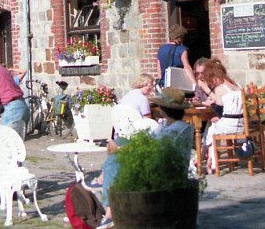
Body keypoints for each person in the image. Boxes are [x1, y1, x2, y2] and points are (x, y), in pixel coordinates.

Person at [98, 87, 194, 228]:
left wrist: (119, 150)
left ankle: (110, 210)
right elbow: (149, 141)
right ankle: (104, 177)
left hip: (163, 168)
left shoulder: (176, 128)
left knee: (115, 160)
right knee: (121, 141)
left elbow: (153, 150)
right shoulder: (168, 125)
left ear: (163, 109)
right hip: (158, 160)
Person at [196, 58, 244, 172]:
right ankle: (208, 161)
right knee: (212, 125)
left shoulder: (220, 89)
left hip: (230, 125)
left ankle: (207, 161)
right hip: (241, 123)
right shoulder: (237, 85)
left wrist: (210, 100)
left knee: (211, 129)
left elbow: (218, 109)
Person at [157, 24, 196, 89]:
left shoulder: (161, 49)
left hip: (164, 85)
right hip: (177, 85)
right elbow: (187, 67)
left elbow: (159, 70)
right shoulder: (182, 50)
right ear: (180, 38)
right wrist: (195, 84)